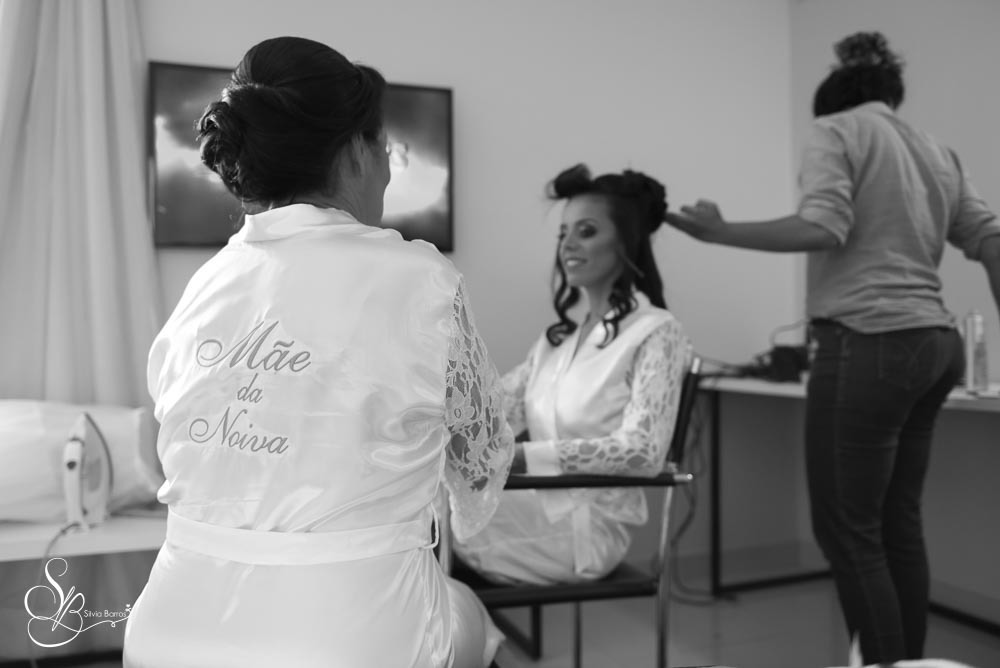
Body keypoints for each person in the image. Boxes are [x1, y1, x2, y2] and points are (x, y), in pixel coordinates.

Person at [123, 36, 513, 668]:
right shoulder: (420, 278)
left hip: (169, 628)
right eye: (384, 148)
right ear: (356, 151)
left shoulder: (206, 285)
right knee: (472, 618)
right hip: (351, 636)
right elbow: (481, 457)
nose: (388, 168)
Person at [665, 31, 1000, 665]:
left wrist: (718, 232)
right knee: (897, 524)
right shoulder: (938, 153)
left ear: (833, 97)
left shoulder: (835, 130)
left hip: (869, 342)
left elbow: (825, 224)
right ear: (890, 93)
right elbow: (991, 240)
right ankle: (908, 662)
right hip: (936, 346)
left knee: (848, 529)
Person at [454, 164, 692, 585]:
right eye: (563, 233)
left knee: (431, 516)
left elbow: (643, 452)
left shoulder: (656, 332)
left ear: (626, 241)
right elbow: (493, 409)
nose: (567, 245)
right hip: (537, 505)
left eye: (586, 231)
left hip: (587, 530)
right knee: (420, 500)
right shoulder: (558, 342)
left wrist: (524, 458)